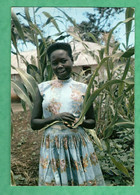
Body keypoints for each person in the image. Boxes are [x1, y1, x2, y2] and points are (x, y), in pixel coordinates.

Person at [31, 42, 105, 186]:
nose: (59, 66)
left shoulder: (84, 88)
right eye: (55, 63)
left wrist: (79, 121)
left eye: (63, 61)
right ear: (51, 65)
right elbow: (34, 123)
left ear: (72, 60)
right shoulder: (43, 88)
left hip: (78, 145)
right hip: (53, 146)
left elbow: (92, 122)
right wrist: (55, 117)